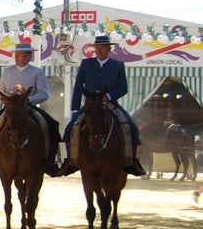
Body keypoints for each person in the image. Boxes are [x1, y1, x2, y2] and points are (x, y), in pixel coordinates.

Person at [58, 34, 146, 177]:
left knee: (132, 127)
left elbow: (123, 88)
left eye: (102, 47)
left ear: (109, 49)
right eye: (97, 47)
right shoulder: (86, 64)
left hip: (110, 103)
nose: (99, 50)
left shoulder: (117, 65)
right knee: (69, 129)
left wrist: (109, 96)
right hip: (90, 104)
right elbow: (78, 86)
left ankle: (132, 162)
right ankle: (70, 161)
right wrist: (74, 109)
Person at [0, 41, 62, 180]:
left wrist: (29, 100)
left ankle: (49, 160)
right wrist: (6, 100)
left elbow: (44, 93)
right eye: (16, 55)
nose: (18, 58)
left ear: (28, 57)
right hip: (10, 108)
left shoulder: (37, 72)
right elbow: (1, 92)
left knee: (51, 125)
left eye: (21, 56)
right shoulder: (7, 71)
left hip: (28, 107)